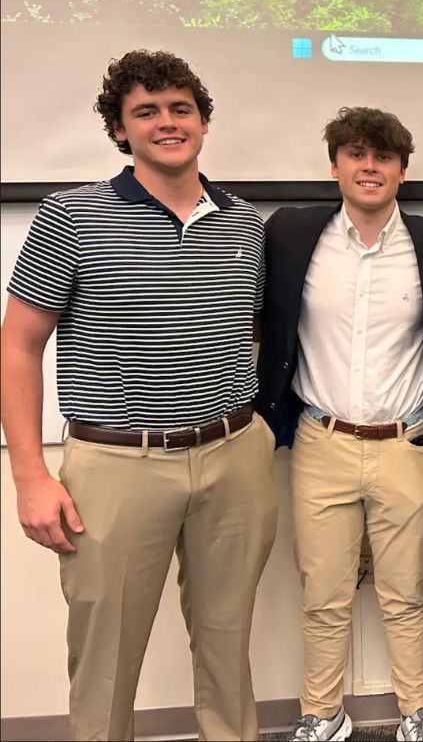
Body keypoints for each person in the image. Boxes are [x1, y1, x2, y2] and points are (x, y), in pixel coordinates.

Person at [0, 50, 278, 741]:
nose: (166, 123)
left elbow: (246, 329)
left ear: (204, 122)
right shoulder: (70, 217)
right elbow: (17, 347)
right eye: (146, 112)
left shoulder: (244, 223)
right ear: (120, 131)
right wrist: (30, 476)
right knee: (105, 659)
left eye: (180, 108)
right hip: (117, 466)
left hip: (234, 456)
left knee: (227, 642)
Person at [255, 107, 423, 742]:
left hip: (408, 441)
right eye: (355, 154)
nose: (368, 166)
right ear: (335, 165)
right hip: (323, 441)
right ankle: (321, 713)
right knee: (324, 593)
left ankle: (416, 713)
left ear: (403, 170)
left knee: (406, 591)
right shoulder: (292, 235)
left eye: (382, 157)